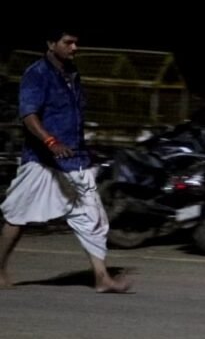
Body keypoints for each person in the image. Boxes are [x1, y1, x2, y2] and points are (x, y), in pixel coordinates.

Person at [0, 27, 131, 293]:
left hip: (74, 159)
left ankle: (101, 277)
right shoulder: (36, 74)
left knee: (91, 216)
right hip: (42, 161)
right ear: (51, 44)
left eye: (75, 43)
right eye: (68, 42)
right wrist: (50, 141)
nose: (74, 48)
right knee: (18, 215)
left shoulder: (72, 74)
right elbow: (29, 115)